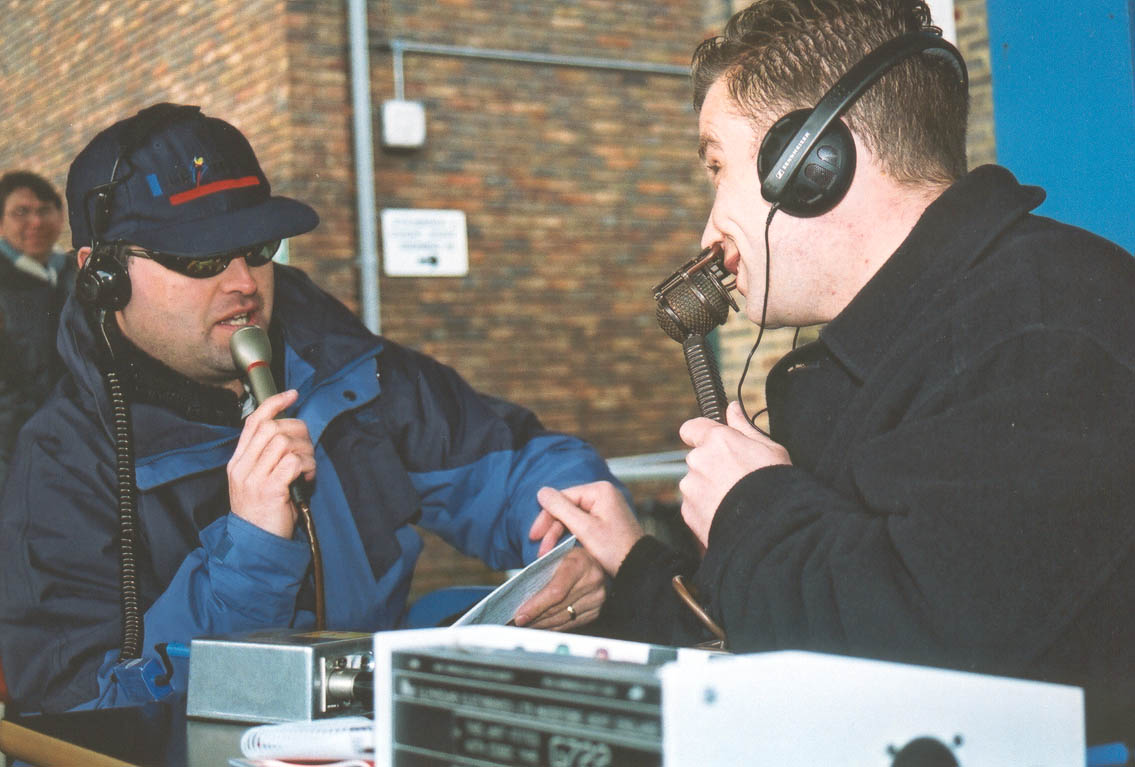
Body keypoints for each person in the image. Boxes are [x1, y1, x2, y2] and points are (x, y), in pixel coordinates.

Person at [537, 0, 1135, 745]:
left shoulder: (1046, 326)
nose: (706, 230)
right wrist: (631, 563)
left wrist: (749, 503)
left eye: (717, 166)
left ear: (814, 162)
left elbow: (921, 667)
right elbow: (779, 641)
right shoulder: (877, 352)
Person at [0, 103, 616, 712]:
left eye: (259, 247)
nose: (243, 283)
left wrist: (578, 538)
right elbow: (73, 714)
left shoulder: (335, 359)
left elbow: (504, 459)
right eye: (199, 259)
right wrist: (249, 553)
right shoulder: (63, 460)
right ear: (101, 276)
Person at [0, 171, 74, 488]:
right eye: (21, 212)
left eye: (45, 210)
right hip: (18, 454)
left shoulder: (77, 274)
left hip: (84, 440)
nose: (36, 221)